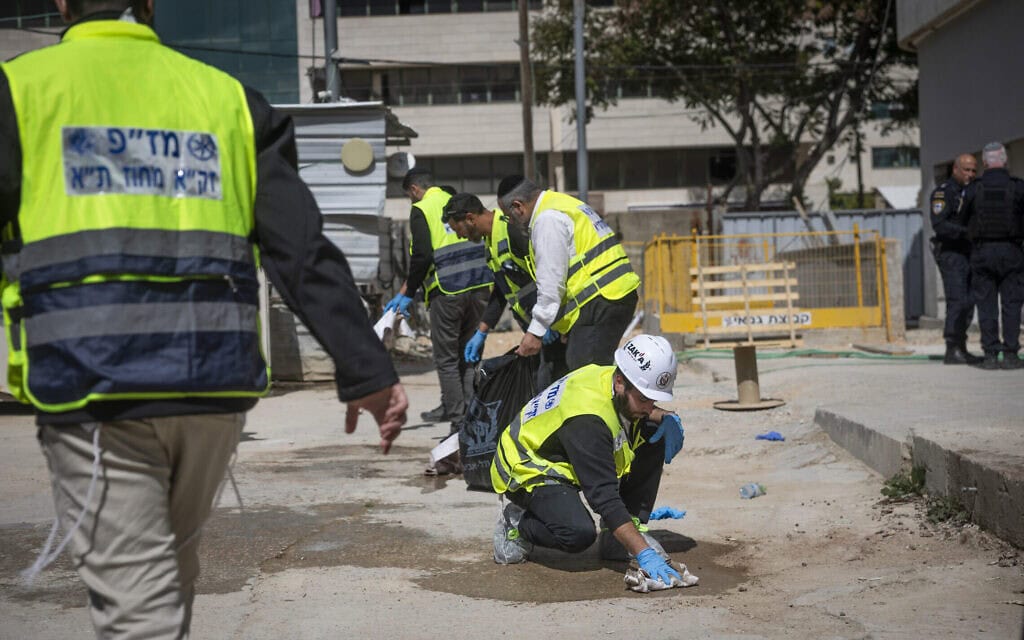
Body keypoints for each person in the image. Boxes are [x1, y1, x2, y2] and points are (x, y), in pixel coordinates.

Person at [0, 1, 408, 637]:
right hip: (211, 389)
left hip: (94, 388)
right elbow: (298, 247)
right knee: (169, 582)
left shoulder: (21, 91)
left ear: (59, 2)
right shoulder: (229, 101)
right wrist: (365, 367)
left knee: (142, 612)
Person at [489, 334, 687, 590]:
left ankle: (623, 535)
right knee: (577, 533)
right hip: (529, 466)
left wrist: (665, 416)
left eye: (654, 399)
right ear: (619, 383)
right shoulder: (587, 420)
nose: (650, 407)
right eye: (644, 399)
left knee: (654, 430)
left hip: (566, 451)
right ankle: (517, 526)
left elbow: (639, 409)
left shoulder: (616, 377)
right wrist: (643, 553)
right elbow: (603, 497)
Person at [496, 175, 640, 372]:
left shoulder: (546, 220)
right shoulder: (563, 203)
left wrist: (536, 332)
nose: (510, 222)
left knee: (585, 375)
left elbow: (551, 283)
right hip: (613, 294)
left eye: (508, 217)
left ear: (518, 206)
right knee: (587, 368)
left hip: (600, 299)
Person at [384, 170, 492, 424]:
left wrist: (408, 293)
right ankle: (471, 413)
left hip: (447, 291)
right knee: (469, 355)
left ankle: (457, 421)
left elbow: (422, 255)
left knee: (446, 359)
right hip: (479, 288)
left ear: (413, 190)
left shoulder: (422, 209)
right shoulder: (456, 199)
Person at [441, 192, 566, 384]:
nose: (459, 236)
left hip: (554, 326)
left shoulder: (512, 229)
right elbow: (502, 290)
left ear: (470, 218)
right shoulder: (490, 243)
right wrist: (481, 331)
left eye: (457, 229)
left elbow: (548, 274)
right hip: (536, 329)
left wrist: (548, 322)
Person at [957, 142, 1024, 370]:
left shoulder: (974, 188)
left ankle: (991, 355)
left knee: (986, 305)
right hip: (1012, 251)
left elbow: (962, 219)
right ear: (1005, 161)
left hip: (983, 252)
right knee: (1012, 304)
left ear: (984, 163)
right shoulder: (1018, 187)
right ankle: (1012, 354)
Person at [930, 153, 982, 364]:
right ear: (956, 170)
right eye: (966, 170)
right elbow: (939, 224)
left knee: (969, 302)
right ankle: (952, 348)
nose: (970, 174)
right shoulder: (943, 193)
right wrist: (965, 232)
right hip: (951, 253)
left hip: (969, 253)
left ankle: (961, 346)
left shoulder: (973, 191)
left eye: (973, 170)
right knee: (957, 300)